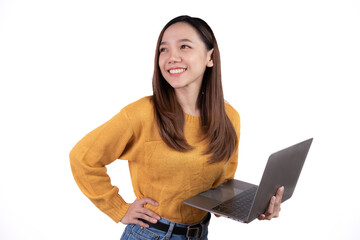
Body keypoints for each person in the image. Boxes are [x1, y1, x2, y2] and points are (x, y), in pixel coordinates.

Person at [69, 15, 284, 240]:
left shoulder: (229, 117)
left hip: (200, 233)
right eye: (163, 50)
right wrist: (119, 208)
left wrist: (257, 205)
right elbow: (82, 158)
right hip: (150, 234)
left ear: (210, 57)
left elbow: (220, 186)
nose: (172, 57)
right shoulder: (141, 114)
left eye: (184, 46)